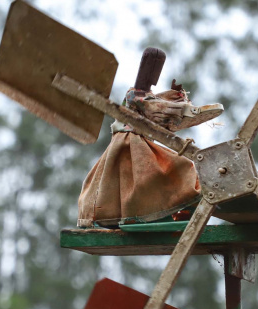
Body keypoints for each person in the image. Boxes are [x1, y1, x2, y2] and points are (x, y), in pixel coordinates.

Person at [77, 48, 204, 228]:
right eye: (152, 69)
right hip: (129, 141)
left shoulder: (148, 96)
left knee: (172, 168)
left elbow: (157, 106)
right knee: (134, 177)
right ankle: (132, 215)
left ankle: (164, 212)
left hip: (141, 141)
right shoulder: (134, 94)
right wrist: (178, 107)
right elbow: (154, 108)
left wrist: (178, 101)